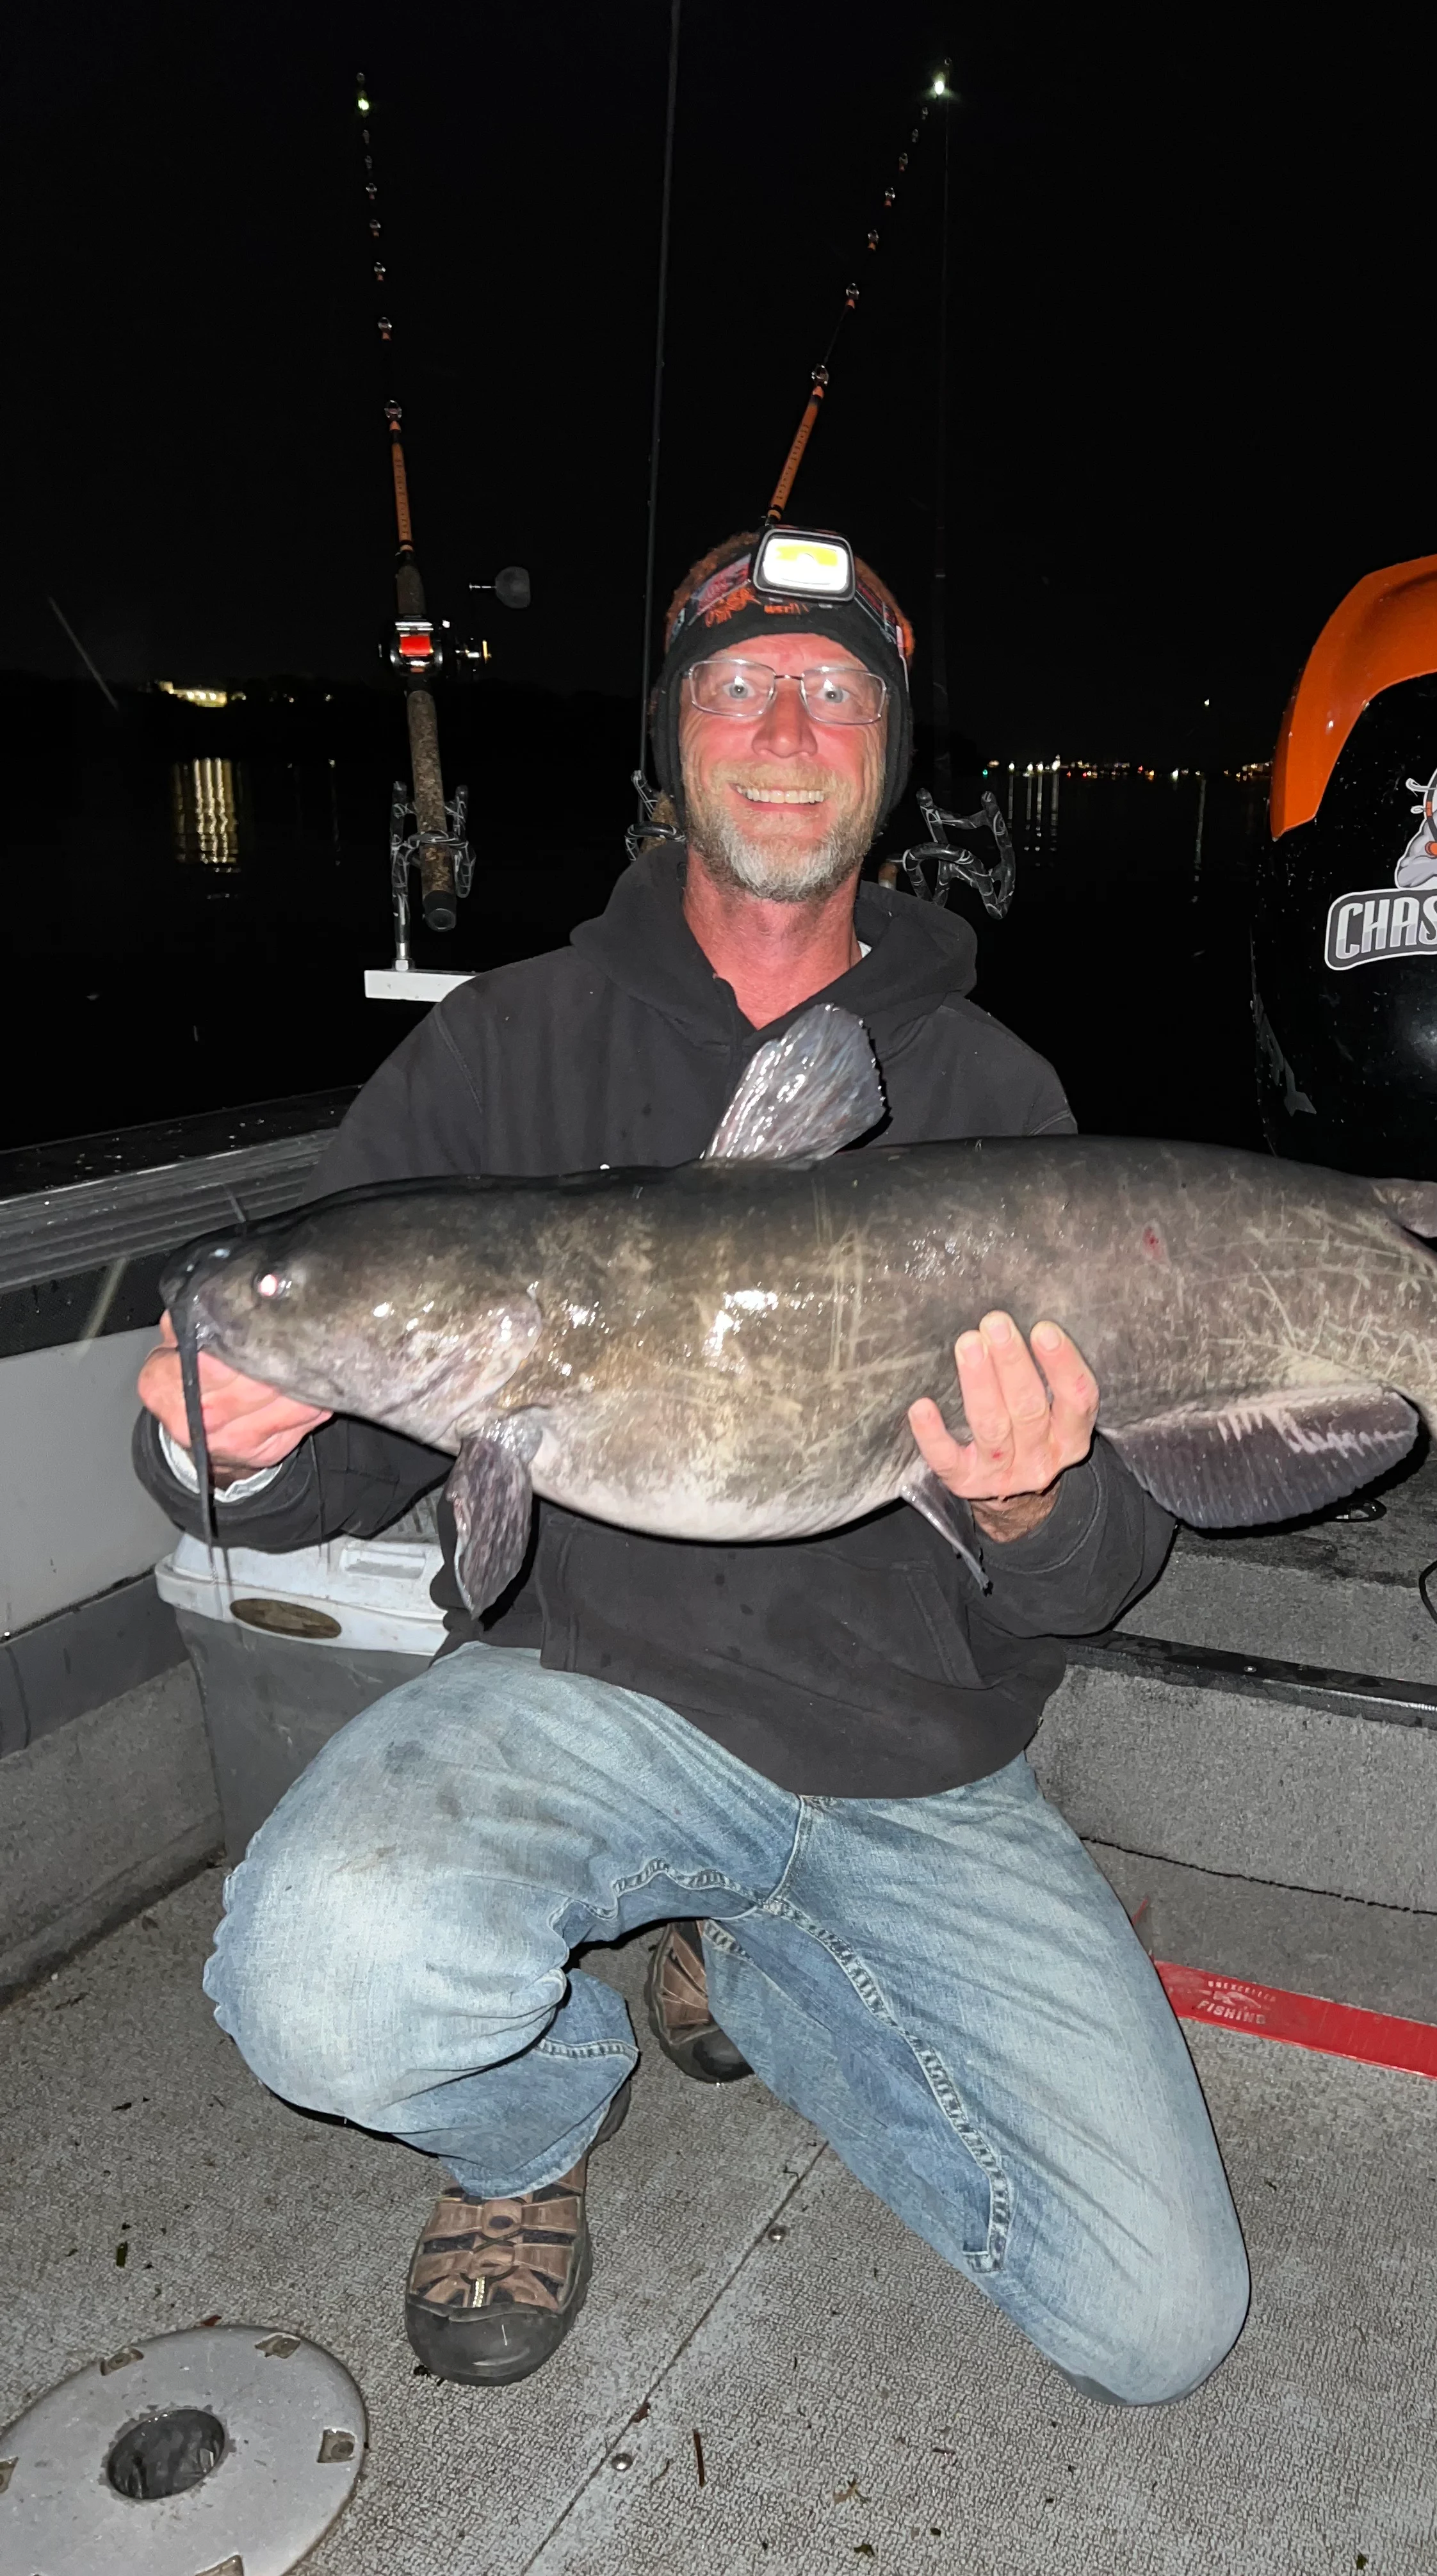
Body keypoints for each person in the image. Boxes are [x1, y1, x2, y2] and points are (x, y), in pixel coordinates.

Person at [134, 532, 1249, 2400]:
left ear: (891, 760)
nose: (787, 730)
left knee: (1159, 2324)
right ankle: (531, 2125)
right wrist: (218, 1453)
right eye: (738, 688)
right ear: (674, 742)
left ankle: (758, 1959)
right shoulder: (506, 1050)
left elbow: (1091, 1577)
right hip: (598, 1711)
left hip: (917, 1766)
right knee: (321, 1976)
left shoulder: (997, 1099)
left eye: (837, 692)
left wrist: (1036, 1499)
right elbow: (325, 1444)